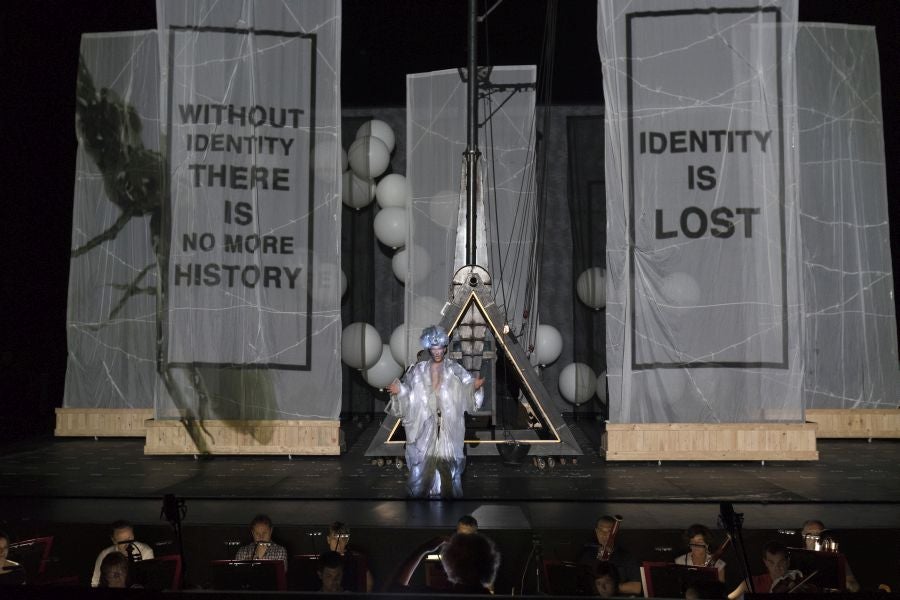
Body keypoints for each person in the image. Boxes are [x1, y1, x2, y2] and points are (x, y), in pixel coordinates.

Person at [386, 325, 485, 498]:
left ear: (445, 348)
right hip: (425, 423)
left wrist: (474, 388)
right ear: (429, 349)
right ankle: (423, 491)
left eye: (440, 348)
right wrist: (400, 390)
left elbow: (466, 385)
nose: (437, 352)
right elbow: (409, 391)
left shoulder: (454, 369)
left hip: (448, 423)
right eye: (434, 349)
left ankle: (444, 491)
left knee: (447, 459)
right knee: (424, 458)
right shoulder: (418, 370)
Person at [577, 516, 641, 595]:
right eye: (601, 531)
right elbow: (581, 585)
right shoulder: (586, 555)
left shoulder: (626, 556)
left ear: (615, 533)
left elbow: (636, 588)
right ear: (596, 532)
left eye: (609, 532)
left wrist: (610, 588)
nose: (604, 535)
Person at [800, 519, 859, 592]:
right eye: (810, 535)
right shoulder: (795, 557)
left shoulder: (835, 558)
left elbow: (854, 585)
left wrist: (845, 584)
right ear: (803, 535)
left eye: (818, 534)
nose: (815, 538)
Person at [91, 520, 154, 587]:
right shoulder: (104, 555)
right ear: (114, 540)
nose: (128, 544)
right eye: (123, 541)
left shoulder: (145, 551)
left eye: (130, 538)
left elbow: (149, 581)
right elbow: (95, 582)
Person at [325, 521, 373, 592]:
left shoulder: (356, 558)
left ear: (347, 540)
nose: (338, 543)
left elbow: (368, 583)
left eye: (343, 539)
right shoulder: (323, 559)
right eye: (335, 538)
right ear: (328, 539)